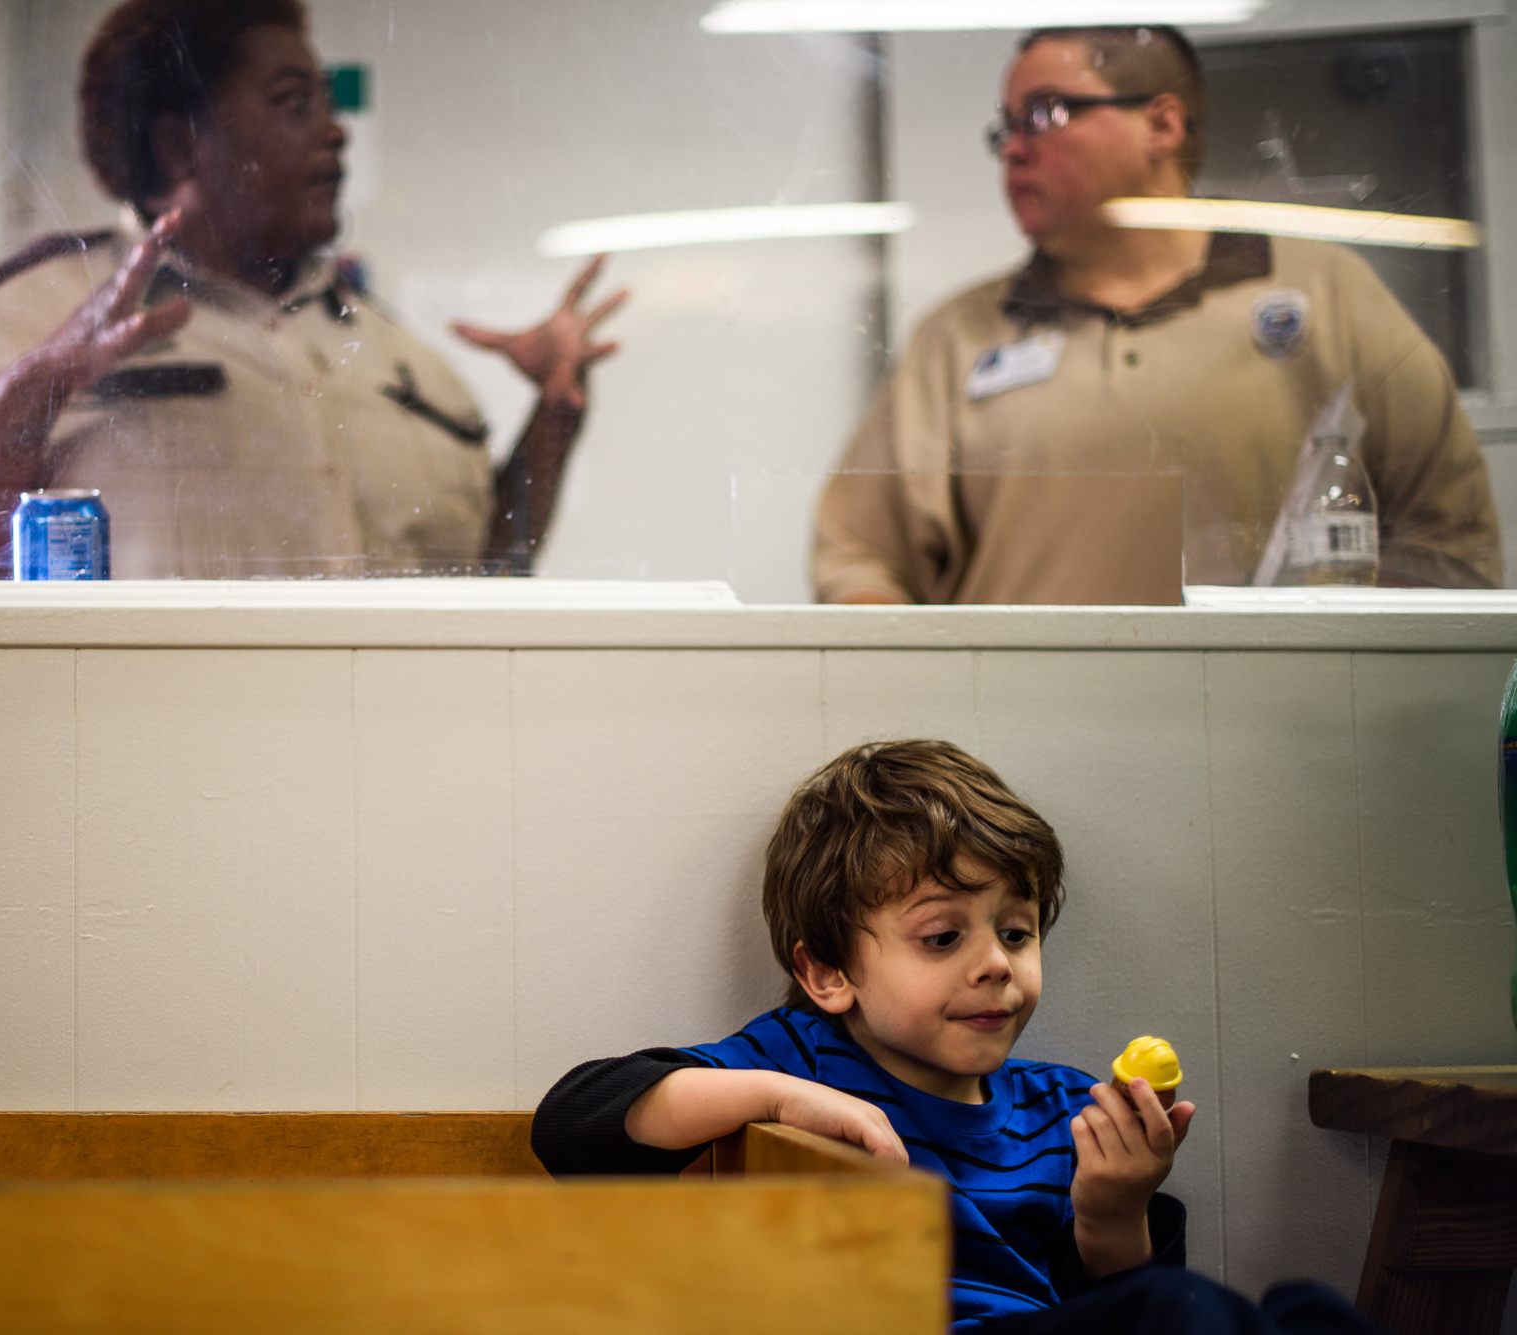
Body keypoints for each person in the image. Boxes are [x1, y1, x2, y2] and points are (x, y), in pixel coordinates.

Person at [531, 740, 1386, 1334]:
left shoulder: (1063, 1107)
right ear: (828, 972)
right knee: (1186, 1316)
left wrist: (1114, 1209)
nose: (995, 965)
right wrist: (780, 1097)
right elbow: (575, 1121)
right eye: (943, 938)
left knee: (1305, 1311)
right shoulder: (801, 1058)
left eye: (1016, 932)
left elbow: (1119, 1300)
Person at [0, 0, 624, 581]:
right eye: (295, 103)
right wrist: (36, 389)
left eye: (328, 104)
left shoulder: (399, 361)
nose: (336, 131)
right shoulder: (21, 316)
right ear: (181, 143)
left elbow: (484, 582)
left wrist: (553, 420)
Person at [812, 25, 1499, 604]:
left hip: (1286, 740)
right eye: (1006, 127)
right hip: (1017, 750)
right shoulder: (958, 337)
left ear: (1162, 124)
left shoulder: (1323, 291)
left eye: (1045, 114)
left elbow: (1450, 533)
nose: (1014, 147)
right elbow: (856, 557)